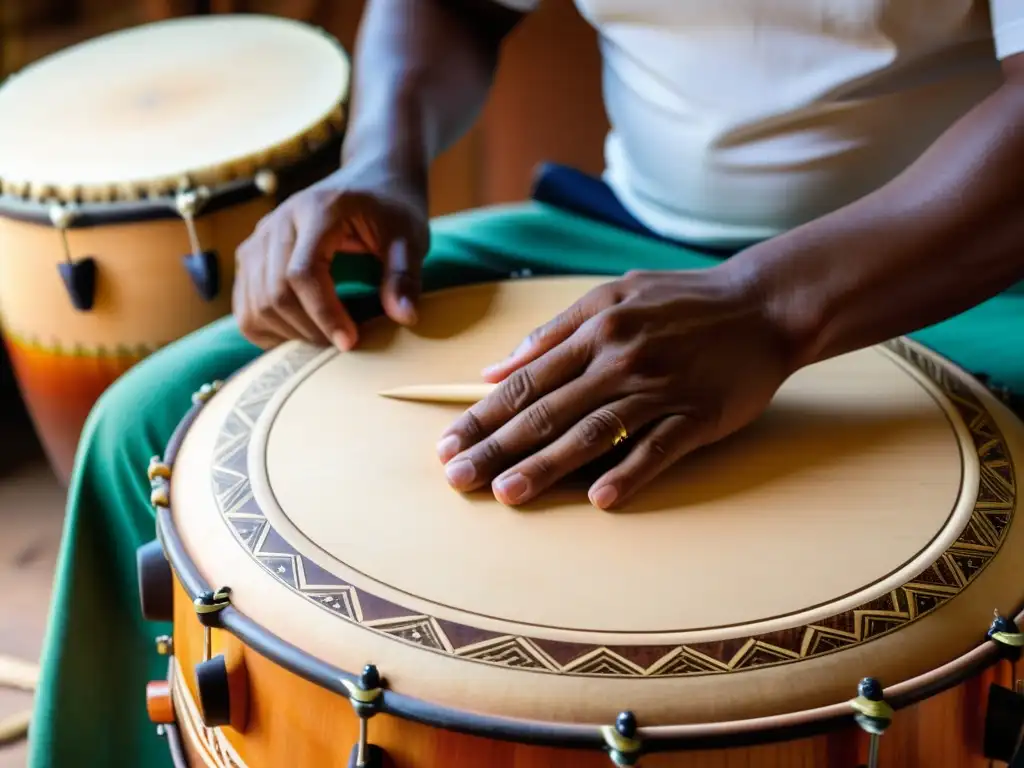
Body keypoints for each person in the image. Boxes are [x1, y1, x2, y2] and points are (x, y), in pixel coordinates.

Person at [29, 0, 1024, 766]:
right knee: (147, 426)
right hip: (617, 241)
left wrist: (766, 308)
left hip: (939, 265)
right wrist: (380, 162)